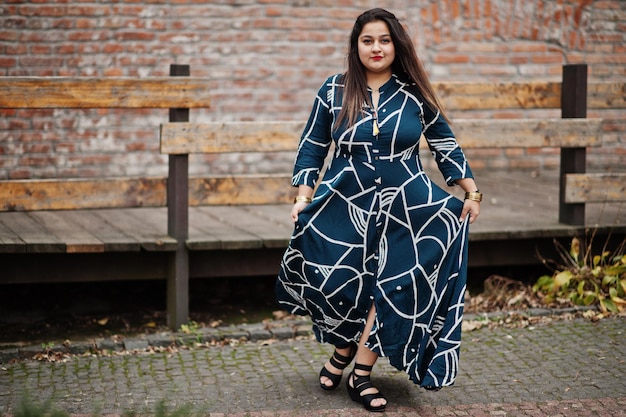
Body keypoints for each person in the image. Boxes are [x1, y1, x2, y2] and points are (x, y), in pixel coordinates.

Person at [276, 8, 481, 412]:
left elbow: (444, 143)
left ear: (396, 45)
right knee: (345, 285)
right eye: (368, 40)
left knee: (392, 287)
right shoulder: (333, 91)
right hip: (345, 203)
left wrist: (471, 193)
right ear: (356, 46)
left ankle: (360, 374)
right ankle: (341, 351)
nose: (376, 48)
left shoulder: (414, 94)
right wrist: (302, 196)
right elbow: (312, 148)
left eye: (384, 40)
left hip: (409, 207)